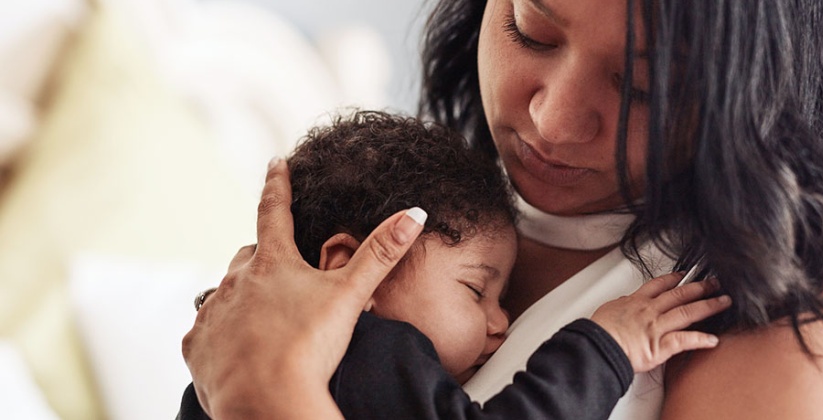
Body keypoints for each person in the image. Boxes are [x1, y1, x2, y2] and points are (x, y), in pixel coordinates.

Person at [182, 0, 823, 419]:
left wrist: (266, 393)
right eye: (531, 30)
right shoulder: (433, 212)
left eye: (642, 86)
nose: (554, 122)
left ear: (757, 84)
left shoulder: (794, 286)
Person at [179, 110, 729, 419]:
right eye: (475, 290)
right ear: (355, 272)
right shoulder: (367, 352)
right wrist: (606, 346)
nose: (502, 322)